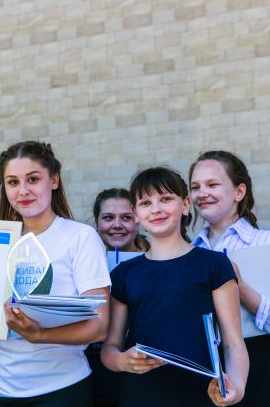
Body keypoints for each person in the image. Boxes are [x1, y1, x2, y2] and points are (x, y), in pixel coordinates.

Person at [0, 140, 111, 406]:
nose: (23, 191)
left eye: (33, 179)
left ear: (54, 180)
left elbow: (99, 327)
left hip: (60, 387)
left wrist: (40, 335)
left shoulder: (80, 237)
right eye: (13, 182)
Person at [101, 166, 248, 407]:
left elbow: (233, 342)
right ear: (135, 214)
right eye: (145, 203)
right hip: (140, 396)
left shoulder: (214, 264)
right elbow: (110, 348)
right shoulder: (123, 274)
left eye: (166, 199)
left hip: (202, 395)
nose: (156, 209)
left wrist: (237, 388)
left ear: (186, 205)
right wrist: (122, 361)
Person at [189, 150, 270, 407]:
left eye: (212, 184)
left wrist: (240, 287)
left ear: (239, 192)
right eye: (195, 187)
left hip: (259, 365)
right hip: (202, 367)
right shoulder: (189, 251)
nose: (201, 193)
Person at [87, 188, 149, 407]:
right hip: (92, 368)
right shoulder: (82, 264)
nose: (117, 225)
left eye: (126, 218)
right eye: (108, 218)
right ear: (97, 222)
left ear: (138, 220)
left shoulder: (154, 261)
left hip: (141, 366)